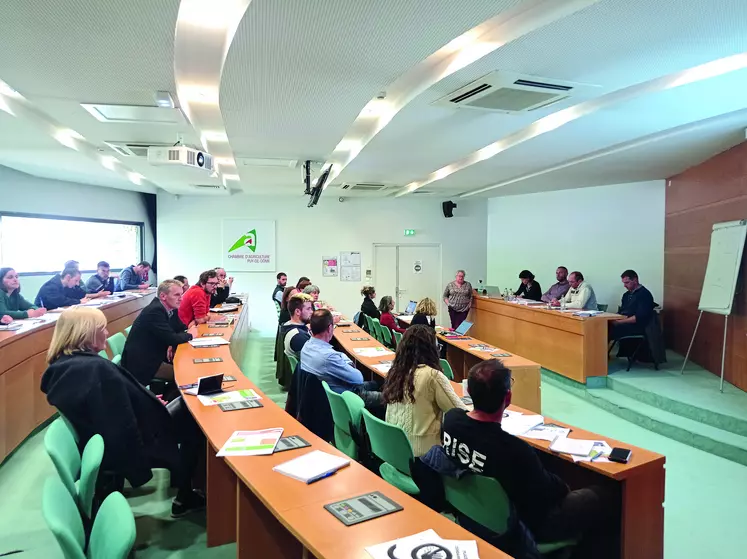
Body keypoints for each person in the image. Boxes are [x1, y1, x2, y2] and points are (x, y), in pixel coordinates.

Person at [40, 306, 206, 517]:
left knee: (185, 403)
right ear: (85, 333)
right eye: (102, 328)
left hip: (131, 428)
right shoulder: (94, 369)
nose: (107, 333)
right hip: (137, 441)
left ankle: (183, 483)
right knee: (194, 414)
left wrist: (149, 402)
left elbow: (116, 405)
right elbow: (120, 423)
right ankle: (185, 495)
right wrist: (151, 408)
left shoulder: (68, 365)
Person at [441, 359, 613, 557]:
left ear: (469, 392)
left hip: (474, 510)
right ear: (508, 397)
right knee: (604, 495)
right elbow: (554, 492)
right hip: (525, 523)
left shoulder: (451, 420)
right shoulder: (514, 450)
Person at [383, 325, 465, 456]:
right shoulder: (432, 376)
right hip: (424, 456)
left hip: (394, 452)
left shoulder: (395, 372)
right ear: (431, 351)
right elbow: (460, 413)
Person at [301, 309, 385, 411]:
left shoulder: (307, 346)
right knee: (390, 397)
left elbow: (339, 354)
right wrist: (348, 362)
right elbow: (358, 379)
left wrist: (344, 359)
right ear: (330, 328)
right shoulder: (328, 357)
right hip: (348, 395)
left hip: (330, 393)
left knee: (379, 383)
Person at [122, 280, 198, 386]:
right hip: (144, 364)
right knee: (186, 375)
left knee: (188, 366)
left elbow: (179, 328)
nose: (181, 299)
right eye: (177, 295)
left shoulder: (169, 308)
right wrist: (191, 335)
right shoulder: (154, 311)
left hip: (155, 357)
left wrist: (172, 342)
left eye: (181, 294)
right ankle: (169, 400)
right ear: (163, 296)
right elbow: (172, 337)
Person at [610, 270, 655, 339]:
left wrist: (620, 322)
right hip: (626, 323)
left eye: (627, 283)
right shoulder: (626, 295)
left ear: (635, 280)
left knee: (606, 330)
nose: (624, 286)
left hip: (636, 327)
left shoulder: (644, 294)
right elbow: (622, 311)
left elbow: (639, 318)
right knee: (603, 326)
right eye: (624, 283)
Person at [282, 293, 314, 359]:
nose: (312, 312)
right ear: (297, 312)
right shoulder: (298, 336)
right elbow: (316, 358)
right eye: (308, 309)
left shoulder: (288, 325)